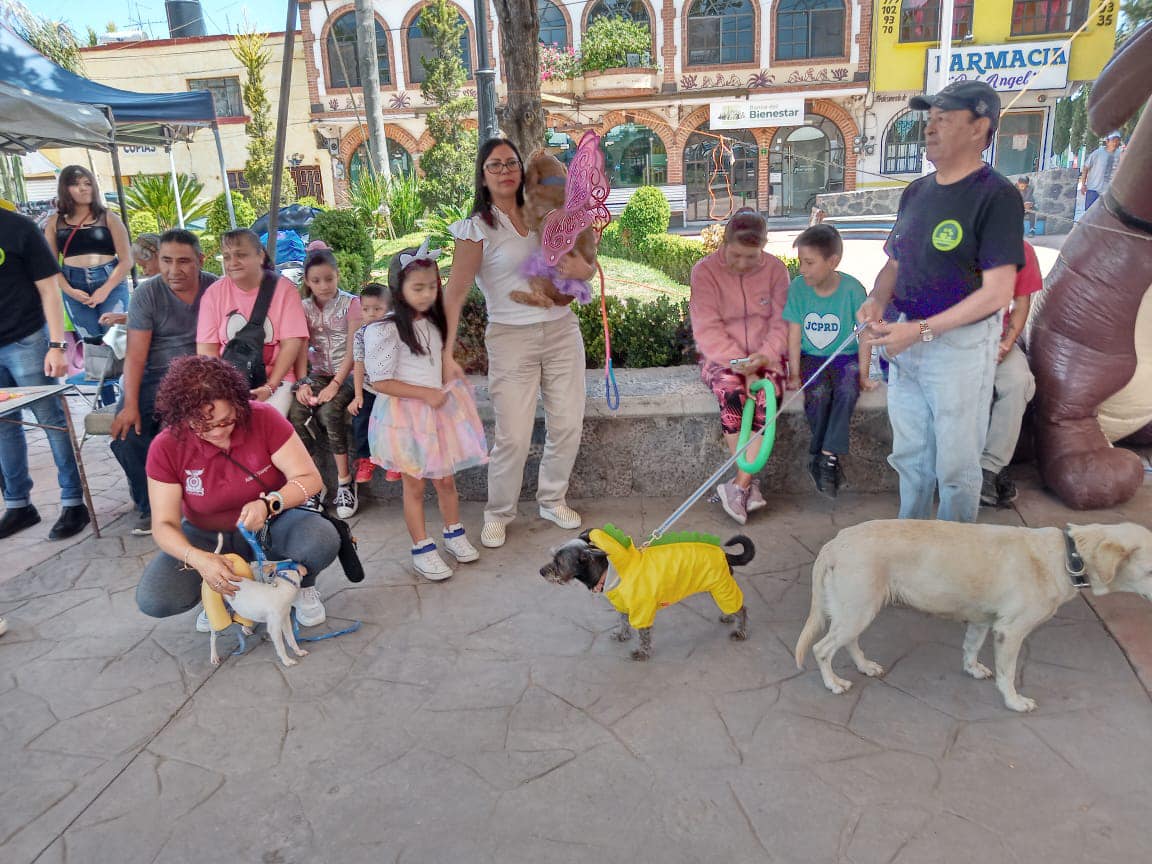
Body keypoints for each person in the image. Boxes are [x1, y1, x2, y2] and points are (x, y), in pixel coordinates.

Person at [860, 80, 1024, 523]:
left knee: (956, 466)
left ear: (979, 129)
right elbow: (895, 263)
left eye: (944, 120)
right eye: (928, 120)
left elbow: (998, 292)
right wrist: (876, 299)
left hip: (959, 349)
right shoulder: (916, 192)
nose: (929, 130)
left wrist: (922, 330)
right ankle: (910, 547)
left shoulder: (997, 196)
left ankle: (954, 562)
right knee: (909, 457)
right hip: (905, 340)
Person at [444, 138, 595, 549]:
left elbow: (583, 265)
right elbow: (454, 294)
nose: (505, 171)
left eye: (511, 162)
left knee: (567, 424)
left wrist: (585, 268)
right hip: (510, 339)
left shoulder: (548, 211)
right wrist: (444, 353)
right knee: (512, 435)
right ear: (482, 175)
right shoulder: (477, 229)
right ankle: (498, 512)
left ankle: (552, 498)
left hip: (562, 330)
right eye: (495, 165)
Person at [136, 355, 338, 629]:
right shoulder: (166, 446)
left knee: (321, 539)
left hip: (272, 523)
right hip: (207, 535)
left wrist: (271, 503)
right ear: (182, 418)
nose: (218, 433)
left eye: (225, 421)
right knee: (156, 598)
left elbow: (309, 479)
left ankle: (301, 586)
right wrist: (198, 559)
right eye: (203, 426)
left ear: (237, 405)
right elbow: (163, 525)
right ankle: (220, 598)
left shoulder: (263, 418)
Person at [365, 246, 489, 581]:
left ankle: (454, 532)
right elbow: (381, 380)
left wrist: (451, 369)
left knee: (446, 479)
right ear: (398, 289)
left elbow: (437, 359)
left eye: (432, 286)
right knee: (415, 486)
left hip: (438, 414)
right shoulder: (386, 329)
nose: (427, 294)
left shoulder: (435, 323)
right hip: (406, 419)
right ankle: (421, 546)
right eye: (417, 288)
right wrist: (425, 394)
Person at [109, 229, 217, 536]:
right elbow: (135, 357)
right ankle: (151, 507)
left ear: (200, 260)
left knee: (196, 429)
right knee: (127, 435)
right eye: (166, 260)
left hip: (202, 374)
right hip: (154, 375)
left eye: (183, 261)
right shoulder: (147, 294)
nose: (173, 269)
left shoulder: (216, 288)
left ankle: (195, 503)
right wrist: (129, 405)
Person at [689, 208, 789, 524]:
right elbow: (707, 328)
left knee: (766, 397)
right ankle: (746, 484)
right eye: (736, 255)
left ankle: (740, 485)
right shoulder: (704, 272)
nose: (743, 264)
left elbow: (782, 323)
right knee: (731, 393)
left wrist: (764, 357)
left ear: (764, 246)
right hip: (721, 357)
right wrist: (741, 365)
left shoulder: (776, 271)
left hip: (766, 355)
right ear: (724, 242)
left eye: (752, 257)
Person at [0, 207, 90, 540]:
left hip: (28, 340)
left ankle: (73, 502)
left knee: (50, 420)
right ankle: (18, 504)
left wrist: (56, 345)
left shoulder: (18, 228)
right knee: (4, 427)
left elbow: (50, 290)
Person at [784, 224, 874, 498]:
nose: (802, 269)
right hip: (812, 358)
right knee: (820, 394)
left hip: (844, 358)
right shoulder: (798, 288)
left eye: (809, 263)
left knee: (847, 390)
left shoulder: (853, 289)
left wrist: (865, 375)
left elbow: (865, 334)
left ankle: (823, 457)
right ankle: (827, 459)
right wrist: (794, 374)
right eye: (801, 262)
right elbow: (794, 331)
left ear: (832, 261)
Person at [44, 166, 133, 406]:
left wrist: (106, 289)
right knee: (93, 345)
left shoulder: (108, 217)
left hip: (110, 282)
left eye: (87, 183)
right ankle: (106, 405)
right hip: (73, 285)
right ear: (66, 189)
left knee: (116, 339)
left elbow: (127, 260)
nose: (83, 189)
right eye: (76, 184)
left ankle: (128, 399)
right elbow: (50, 267)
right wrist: (69, 290)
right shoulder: (55, 223)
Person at [196, 228, 308, 416]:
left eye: (241, 255)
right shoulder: (213, 294)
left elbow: (292, 343)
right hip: (229, 379)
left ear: (261, 256)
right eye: (227, 257)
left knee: (264, 422)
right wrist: (222, 389)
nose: (233, 263)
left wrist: (270, 386)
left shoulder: (284, 290)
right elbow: (206, 351)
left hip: (276, 379)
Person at [288, 248, 361, 517]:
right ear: (307, 281)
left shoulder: (352, 303)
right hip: (318, 373)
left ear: (337, 275)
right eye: (316, 281)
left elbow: (355, 349)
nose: (324, 286)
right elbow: (299, 347)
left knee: (330, 412)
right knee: (297, 413)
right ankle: (314, 484)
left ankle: (344, 481)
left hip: (350, 373)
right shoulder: (302, 307)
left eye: (329, 279)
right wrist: (302, 382)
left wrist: (336, 384)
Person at [980, 240, 1043, 508]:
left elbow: (1021, 303)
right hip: (946, 338)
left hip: (997, 338)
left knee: (1019, 381)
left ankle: (991, 467)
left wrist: (1007, 342)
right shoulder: (951, 239)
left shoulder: (1021, 250)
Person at [349, 283, 398, 487]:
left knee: (394, 423)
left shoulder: (395, 330)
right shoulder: (360, 335)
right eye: (366, 309)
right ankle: (365, 459)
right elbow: (358, 364)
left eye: (377, 309)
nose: (371, 314)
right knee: (361, 419)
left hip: (393, 388)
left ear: (389, 308)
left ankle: (395, 461)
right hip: (370, 387)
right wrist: (358, 394)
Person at [1080, 131, 1123, 211]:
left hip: (1108, 193)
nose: (1116, 142)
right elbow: (1086, 168)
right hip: (1094, 191)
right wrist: (1083, 184)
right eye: (1113, 140)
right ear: (1107, 141)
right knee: (1090, 215)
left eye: (1118, 140)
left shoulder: (1119, 154)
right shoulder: (1098, 153)